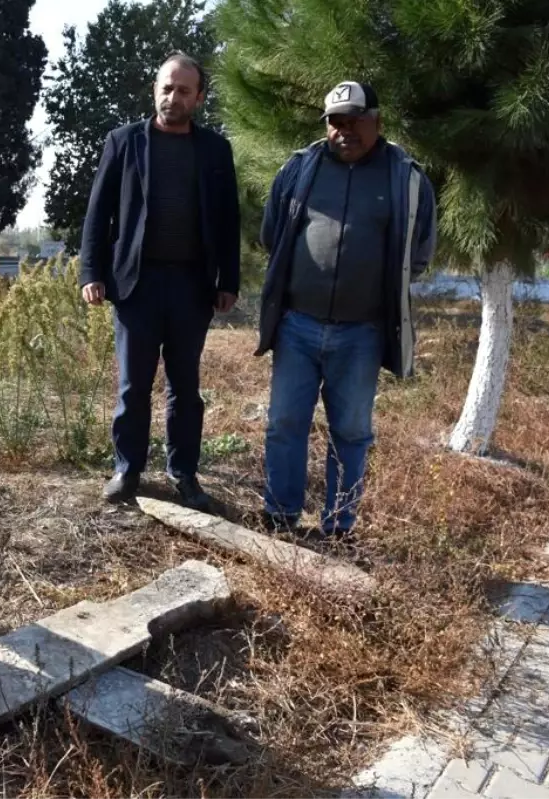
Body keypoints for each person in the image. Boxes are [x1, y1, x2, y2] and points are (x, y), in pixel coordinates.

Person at [256, 81, 436, 541]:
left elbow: (416, 255)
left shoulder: (406, 178)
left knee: (351, 432)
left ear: (377, 121)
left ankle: (338, 527)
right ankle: (280, 518)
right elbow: (273, 236)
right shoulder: (301, 168)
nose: (344, 131)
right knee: (284, 424)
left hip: (361, 333)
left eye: (355, 121)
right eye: (336, 121)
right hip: (297, 326)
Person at [79, 53, 241, 511]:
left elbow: (229, 220)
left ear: (199, 97)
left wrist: (228, 279)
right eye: (167, 88)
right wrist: (92, 273)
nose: (174, 97)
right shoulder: (123, 142)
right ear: (155, 91)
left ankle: (183, 473)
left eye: (184, 90)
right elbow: (98, 215)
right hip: (136, 286)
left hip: (192, 288)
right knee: (133, 386)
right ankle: (127, 469)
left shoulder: (215, 150)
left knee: (185, 388)